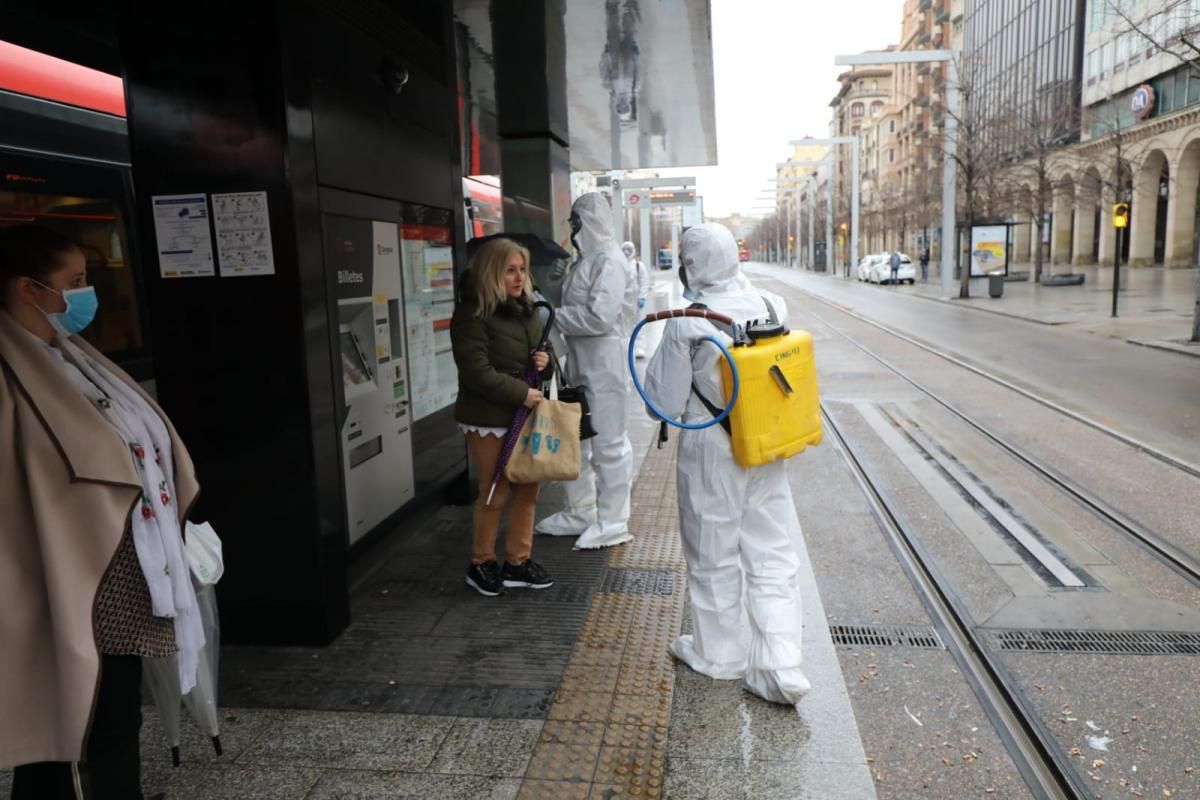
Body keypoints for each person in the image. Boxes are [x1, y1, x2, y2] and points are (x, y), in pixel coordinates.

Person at [1, 225, 204, 798]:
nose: (85, 295)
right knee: (76, 721)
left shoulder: (65, 353)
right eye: (75, 282)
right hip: (63, 576)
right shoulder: (14, 369)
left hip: (119, 567)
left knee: (110, 712)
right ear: (28, 288)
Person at [643, 222, 809, 706]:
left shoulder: (687, 319)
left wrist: (678, 344)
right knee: (773, 550)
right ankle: (781, 665)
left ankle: (719, 655)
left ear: (690, 266)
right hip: (765, 444)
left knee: (713, 550)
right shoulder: (771, 305)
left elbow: (663, 403)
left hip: (711, 450)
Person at [451, 236, 555, 597]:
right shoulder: (472, 311)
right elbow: (475, 370)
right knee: (495, 490)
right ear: (493, 272)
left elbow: (545, 354)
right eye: (510, 270)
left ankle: (517, 562)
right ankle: (480, 563)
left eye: (522, 270)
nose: (518, 277)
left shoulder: (527, 309)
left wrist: (545, 362)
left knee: (528, 490)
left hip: (523, 413)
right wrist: (520, 393)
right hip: (488, 417)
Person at [535, 192, 637, 549]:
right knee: (578, 439)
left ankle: (612, 520)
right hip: (580, 360)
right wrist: (555, 284)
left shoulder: (609, 260)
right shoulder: (589, 260)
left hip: (604, 362)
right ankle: (582, 510)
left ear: (591, 222)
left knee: (608, 443)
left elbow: (599, 317)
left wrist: (552, 315)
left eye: (577, 221)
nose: (573, 228)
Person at [622, 240, 652, 359]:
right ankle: (628, 348)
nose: (626, 252)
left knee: (639, 325)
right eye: (624, 249)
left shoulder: (638, 265)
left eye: (629, 249)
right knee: (625, 326)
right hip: (623, 302)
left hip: (636, 301)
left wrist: (642, 297)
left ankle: (640, 348)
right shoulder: (619, 265)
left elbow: (644, 282)